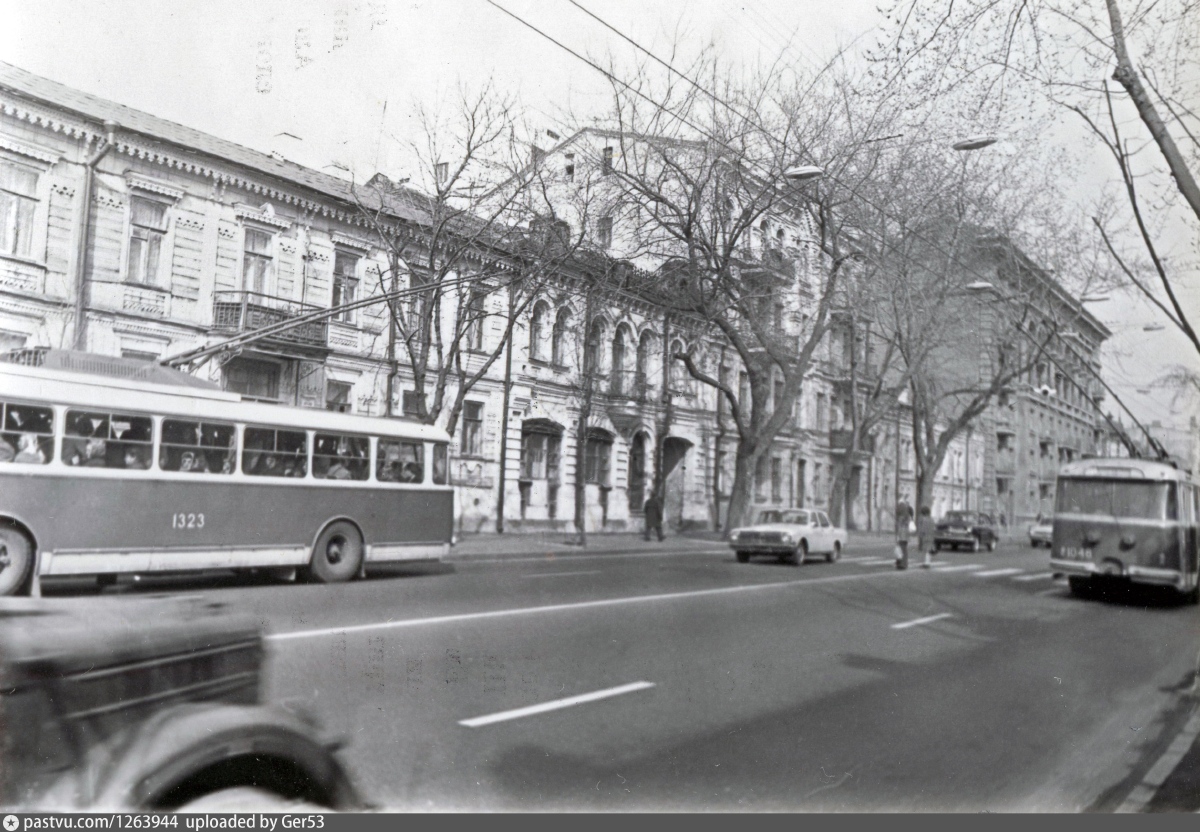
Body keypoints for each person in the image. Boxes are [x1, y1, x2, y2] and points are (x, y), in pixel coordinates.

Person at [894, 501, 912, 570]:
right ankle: (903, 563)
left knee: (901, 549)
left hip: (901, 535)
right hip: (906, 535)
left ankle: (901, 563)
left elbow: (899, 526)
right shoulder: (907, 516)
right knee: (904, 550)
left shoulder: (900, 517)